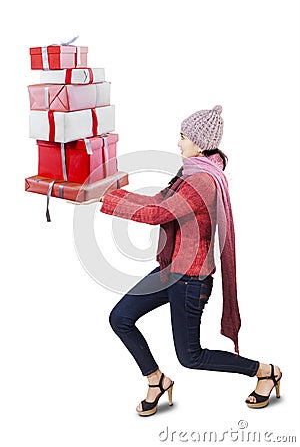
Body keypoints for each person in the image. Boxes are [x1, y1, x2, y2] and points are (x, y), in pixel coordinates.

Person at [99, 105, 282, 416]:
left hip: (190, 280)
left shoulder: (202, 181)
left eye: (182, 137)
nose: (179, 143)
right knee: (121, 318)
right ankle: (156, 380)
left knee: (191, 357)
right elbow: (160, 201)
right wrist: (114, 193)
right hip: (172, 272)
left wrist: (108, 200)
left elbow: (159, 214)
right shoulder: (193, 172)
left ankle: (266, 371)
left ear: (199, 143)